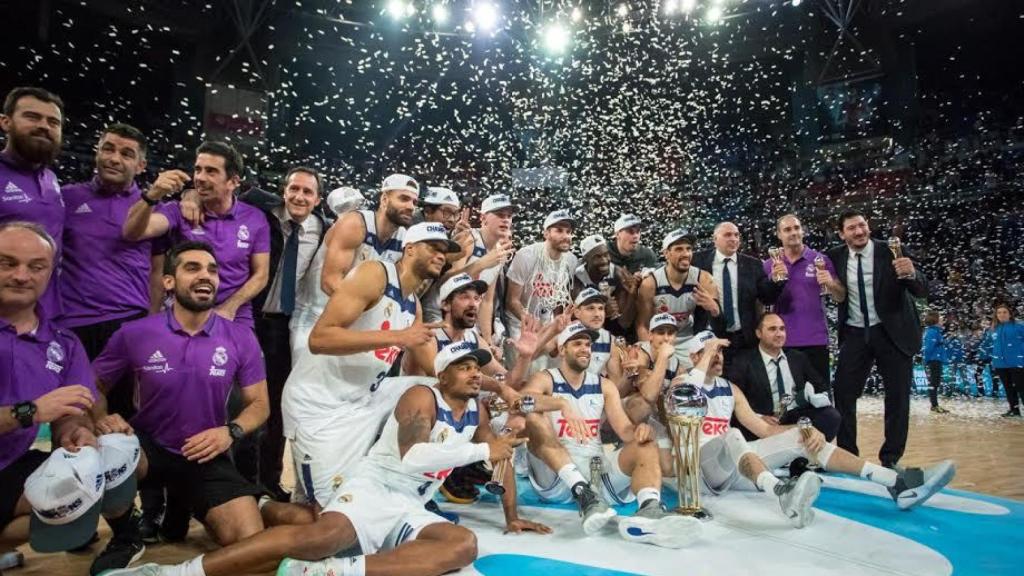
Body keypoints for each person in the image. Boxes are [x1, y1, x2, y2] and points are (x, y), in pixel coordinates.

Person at [105, 341, 551, 576]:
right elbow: (414, 453)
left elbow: (500, 460)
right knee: (319, 535)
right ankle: (178, 572)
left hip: (408, 505)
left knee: (461, 545)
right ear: (443, 372)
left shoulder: (476, 410)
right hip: (375, 489)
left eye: (480, 366)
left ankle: (335, 573)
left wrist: (511, 512)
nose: (477, 373)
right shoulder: (420, 395)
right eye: (466, 366)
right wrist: (481, 447)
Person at [639, 331, 956, 529]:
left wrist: (803, 429)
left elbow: (762, 428)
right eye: (710, 352)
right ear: (693, 357)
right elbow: (681, 397)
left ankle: (896, 483)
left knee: (803, 438)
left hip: (730, 467)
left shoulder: (730, 389)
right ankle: (781, 493)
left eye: (720, 352)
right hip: (697, 473)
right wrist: (706, 351)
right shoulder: (682, 384)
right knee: (733, 436)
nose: (718, 357)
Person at [91, 240, 270, 554]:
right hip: (150, 446)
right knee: (107, 454)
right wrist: (102, 418)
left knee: (248, 540)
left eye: (213, 270)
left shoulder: (240, 336)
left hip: (204, 450)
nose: (206, 276)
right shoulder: (135, 332)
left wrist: (231, 432)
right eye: (193, 268)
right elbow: (93, 385)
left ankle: (183, 502)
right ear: (169, 282)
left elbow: (260, 404)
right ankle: (125, 537)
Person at [281, 222, 458, 508]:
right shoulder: (374, 273)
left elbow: (440, 370)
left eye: (444, 252)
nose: (441, 256)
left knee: (437, 391)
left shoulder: (413, 304)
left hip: (362, 400)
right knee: (328, 516)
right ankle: (266, 507)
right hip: (319, 405)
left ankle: (409, 486)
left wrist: (497, 388)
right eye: (434, 248)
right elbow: (320, 339)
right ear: (410, 249)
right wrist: (398, 336)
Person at [0, 221, 143, 574]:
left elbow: (72, 412)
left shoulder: (62, 342)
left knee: (115, 462)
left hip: (9, 466)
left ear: (51, 272)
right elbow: (34, 412)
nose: (22, 275)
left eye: (36, 266)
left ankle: (127, 536)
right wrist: (28, 412)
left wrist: (76, 433)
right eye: (7, 263)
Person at [520, 321, 704, 549]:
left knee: (645, 443)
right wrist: (560, 404)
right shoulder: (545, 378)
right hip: (557, 477)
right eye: (577, 343)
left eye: (588, 345)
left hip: (596, 471)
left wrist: (639, 431)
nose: (585, 349)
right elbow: (523, 402)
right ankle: (582, 491)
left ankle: (649, 510)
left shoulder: (604, 386)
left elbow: (625, 431)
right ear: (562, 348)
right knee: (533, 419)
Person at [239, 167, 329, 502]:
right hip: (246, 316)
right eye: (294, 189)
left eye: (308, 192)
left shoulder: (324, 230)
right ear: (284, 190)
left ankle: (268, 481)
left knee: (276, 406)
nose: (299, 197)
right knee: (238, 400)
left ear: (317, 200)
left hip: (284, 326)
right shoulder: (259, 213)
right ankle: (235, 483)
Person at [58, 124, 154, 418]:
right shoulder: (66, 198)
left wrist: (150, 322)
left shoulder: (154, 207)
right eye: (108, 149)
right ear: (97, 152)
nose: (114, 158)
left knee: (124, 415)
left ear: (141, 165)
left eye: (126, 153)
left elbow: (158, 270)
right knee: (73, 414)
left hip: (129, 324)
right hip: (74, 324)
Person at [121, 141, 270, 328]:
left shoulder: (255, 218)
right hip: (183, 313)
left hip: (234, 315)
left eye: (211, 171)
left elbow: (261, 275)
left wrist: (228, 308)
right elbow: (132, 233)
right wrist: (153, 195)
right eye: (198, 169)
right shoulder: (178, 212)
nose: (200, 177)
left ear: (233, 182)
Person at [825, 211, 928, 468]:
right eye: (851, 228)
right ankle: (848, 455)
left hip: (891, 332)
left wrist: (912, 274)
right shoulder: (834, 256)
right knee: (843, 394)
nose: (859, 232)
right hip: (855, 333)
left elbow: (922, 291)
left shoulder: (891, 249)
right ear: (842, 234)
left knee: (897, 397)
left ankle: (891, 458)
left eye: (862, 226)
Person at [289, 175, 417, 353]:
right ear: (385, 199)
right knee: (306, 379)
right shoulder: (355, 223)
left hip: (356, 323)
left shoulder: (404, 238)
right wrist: (371, 311)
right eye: (403, 198)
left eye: (414, 201)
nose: (410, 206)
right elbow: (329, 282)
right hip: (316, 316)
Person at [0, 87, 66, 319]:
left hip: (44, 315)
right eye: (32, 117)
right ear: (6, 122)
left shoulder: (51, 179)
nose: (44, 126)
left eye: (53, 122)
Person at [725, 313, 842, 440]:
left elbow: (821, 386)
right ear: (759, 333)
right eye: (772, 329)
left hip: (794, 414)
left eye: (782, 329)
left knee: (831, 416)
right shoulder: (744, 362)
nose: (779, 334)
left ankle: (805, 458)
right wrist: (758, 418)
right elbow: (733, 401)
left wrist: (812, 397)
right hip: (764, 418)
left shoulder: (797, 358)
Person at [693, 222, 786, 364]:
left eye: (736, 235)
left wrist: (775, 281)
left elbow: (767, 298)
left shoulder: (753, 264)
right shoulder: (698, 261)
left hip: (743, 339)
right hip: (709, 337)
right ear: (715, 239)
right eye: (727, 235)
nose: (733, 239)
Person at [766, 214, 845, 378]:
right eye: (787, 229)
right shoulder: (769, 265)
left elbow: (841, 297)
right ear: (779, 235)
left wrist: (831, 284)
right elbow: (763, 300)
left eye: (796, 228)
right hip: (781, 341)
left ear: (803, 231)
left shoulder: (821, 260)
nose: (793, 232)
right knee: (787, 399)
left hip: (815, 340)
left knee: (820, 398)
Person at [505, 209, 578, 362]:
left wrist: (559, 322)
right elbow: (512, 300)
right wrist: (529, 320)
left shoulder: (571, 260)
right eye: (559, 230)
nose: (566, 236)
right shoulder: (526, 256)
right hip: (520, 323)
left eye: (569, 231)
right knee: (522, 368)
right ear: (546, 233)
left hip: (547, 322)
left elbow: (559, 297)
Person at [637, 228, 720, 360]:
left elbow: (718, 319)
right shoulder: (650, 283)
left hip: (690, 339)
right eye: (679, 249)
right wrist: (650, 352)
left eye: (688, 249)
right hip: (660, 340)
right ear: (666, 253)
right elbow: (642, 325)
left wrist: (714, 308)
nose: (686, 254)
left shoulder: (704, 279)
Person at [449, 193, 515, 348]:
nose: (506, 219)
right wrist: (482, 263)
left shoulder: (500, 251)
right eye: (499, 214)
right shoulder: (469, 238)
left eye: (509, 216)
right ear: (483, 218)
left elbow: (486, 301)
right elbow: (447, 285)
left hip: (466, 318)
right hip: (443, 317)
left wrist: (487, 339)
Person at [572, 234, 638, 336]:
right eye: (597, 257)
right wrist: (602, 311)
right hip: (584, 328)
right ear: (585, 260)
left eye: (606, 254)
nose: (604, 260)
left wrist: (632, 295)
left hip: (611, 328)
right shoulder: (577, 279)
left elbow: (624, 323)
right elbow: (574, 317)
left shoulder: (618, 274)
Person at [991, 303, 1024, 417]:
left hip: (1017, 363)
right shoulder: (994, 329)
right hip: (1000, 364)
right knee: (1008, 388)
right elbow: (989, 345)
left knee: (1021, 388)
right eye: (999, 313)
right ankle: (1014, 410)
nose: (1002, 315)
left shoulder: (1020, 326)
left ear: (1010, 314)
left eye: (1005, 312)